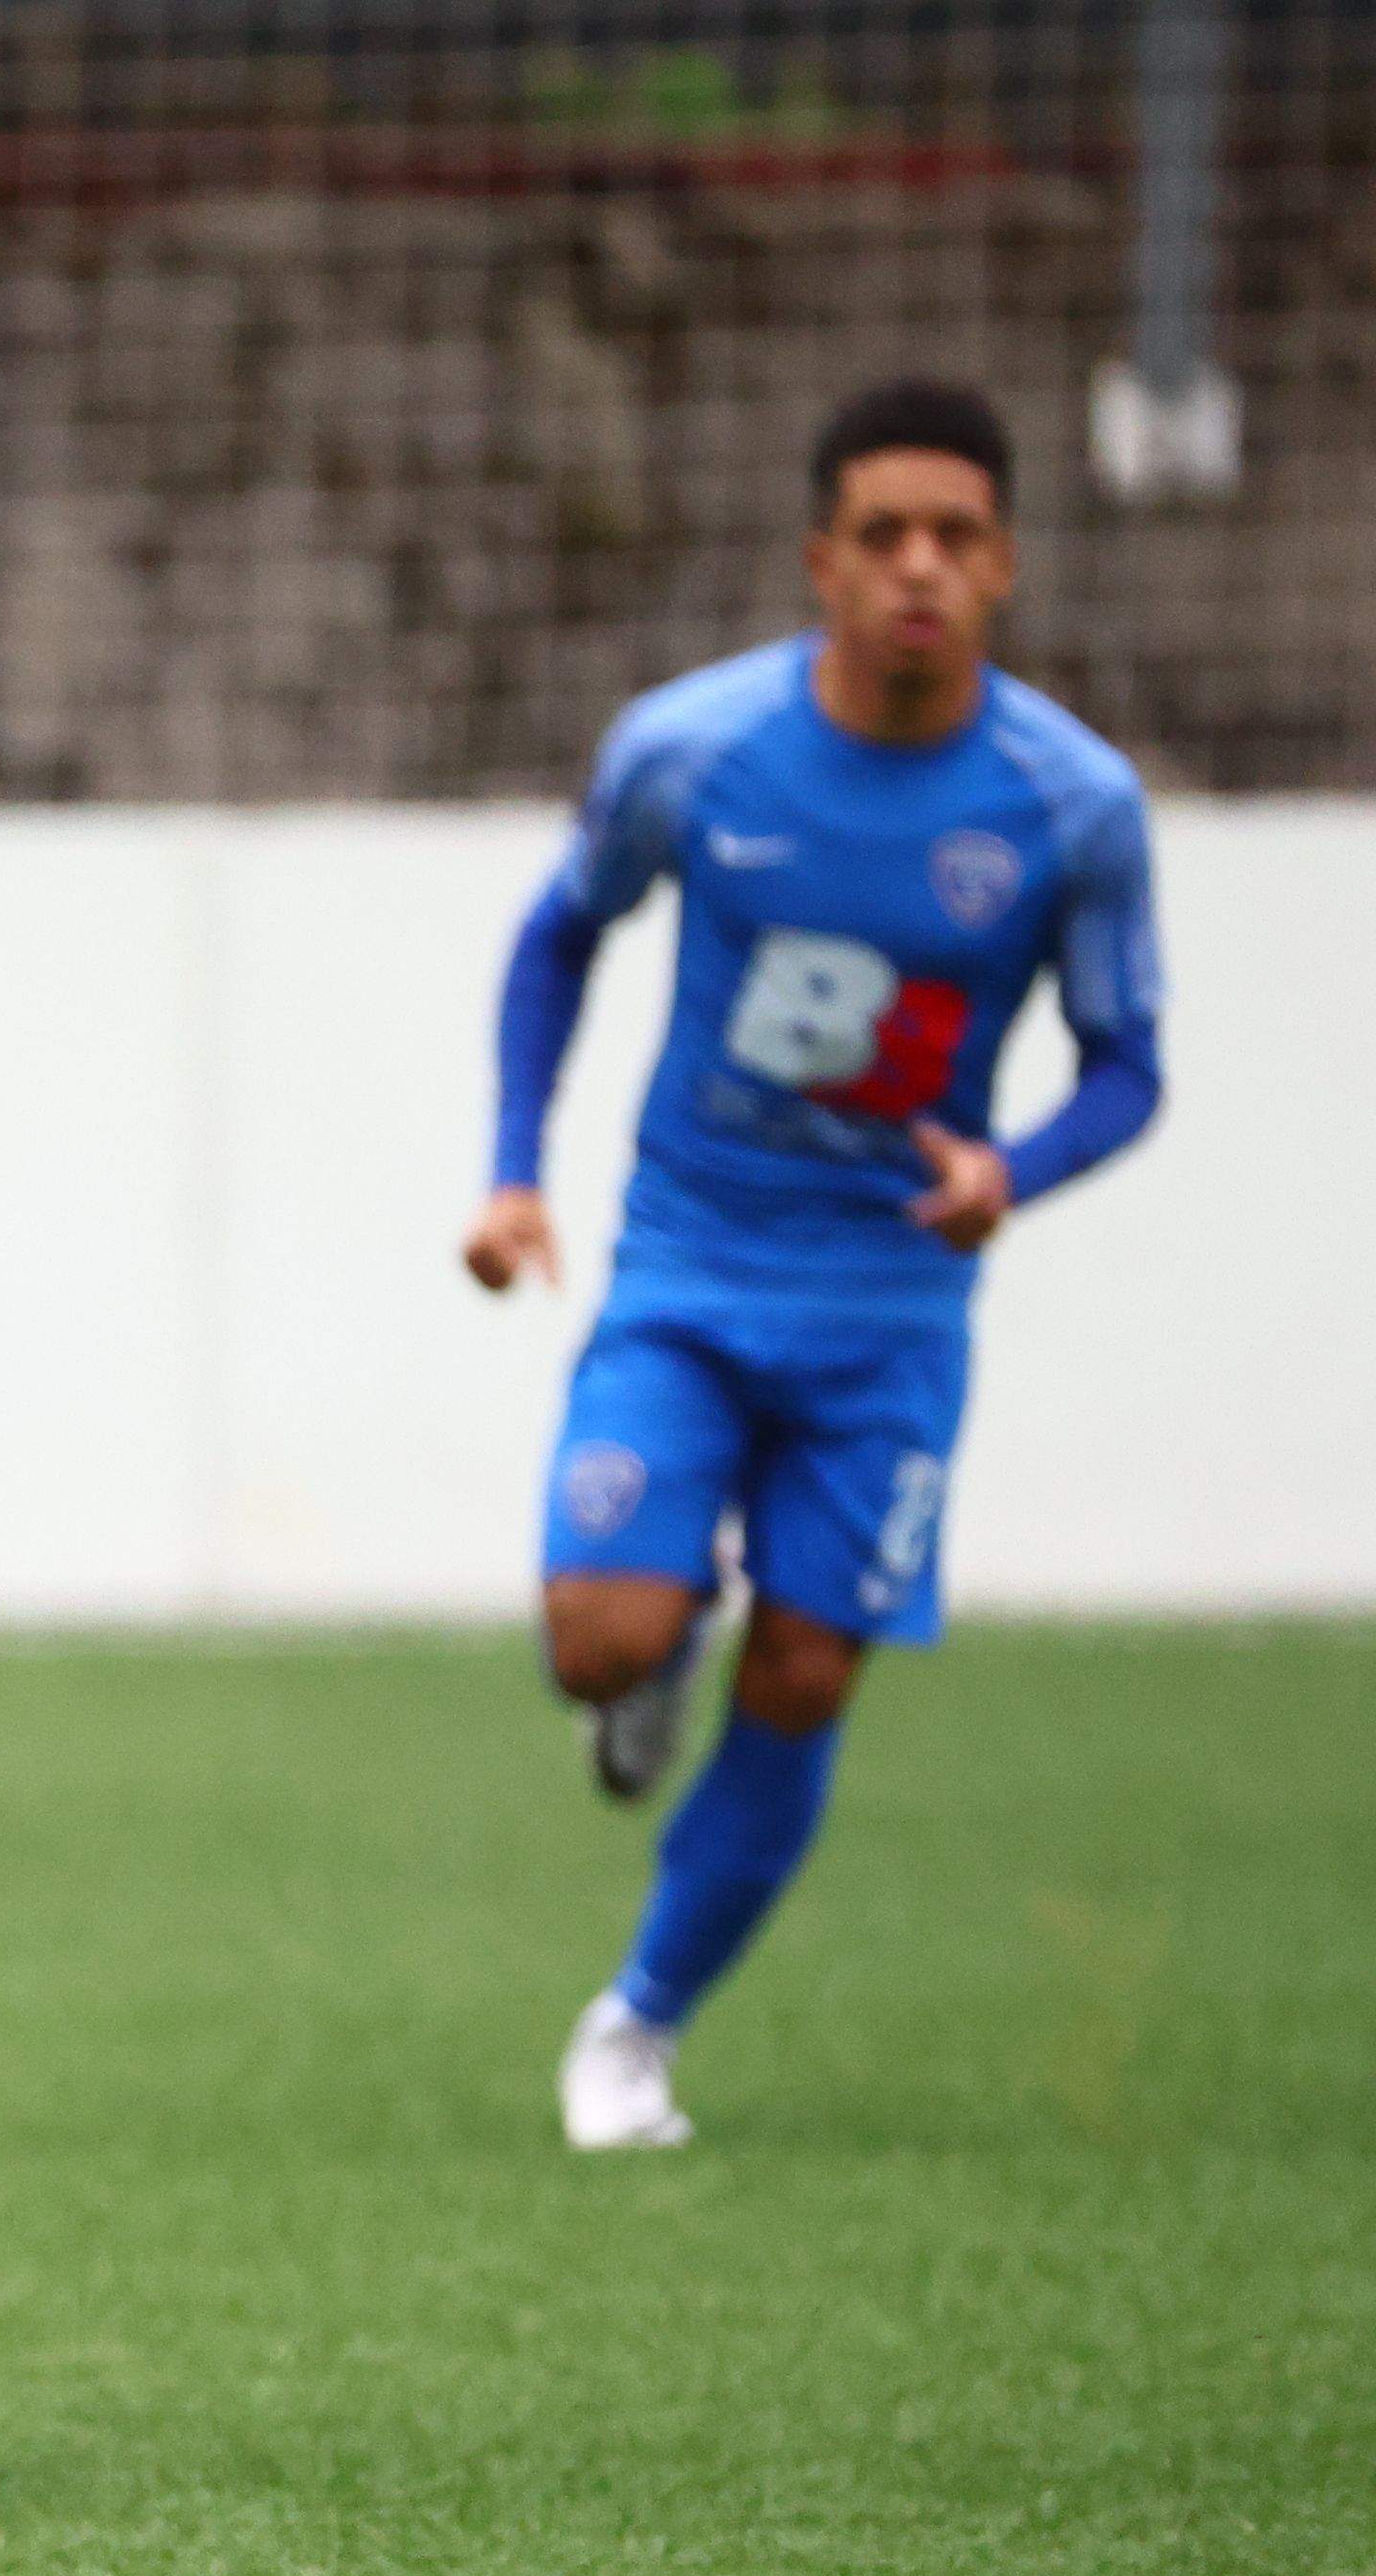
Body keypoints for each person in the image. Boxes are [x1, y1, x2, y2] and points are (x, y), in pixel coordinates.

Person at [463, 380, 1161, 2152]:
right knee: (594, 1635)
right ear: (820, 562)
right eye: (883, 536)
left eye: (956, 537)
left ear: (1004, 565)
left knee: (809, 1674)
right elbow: (560, 939)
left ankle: (638, 2026)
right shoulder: (694, 752)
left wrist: (1024, 1166)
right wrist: (513, 1174)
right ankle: (648, 1663)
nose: (918, 568)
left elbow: (1129, 1062)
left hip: (894, 1307)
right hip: (691, 1267)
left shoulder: (1072, 806)